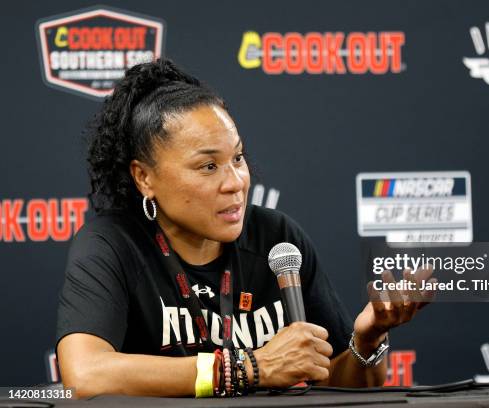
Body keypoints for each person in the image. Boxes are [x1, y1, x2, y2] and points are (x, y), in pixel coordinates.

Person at [56, 59, 434, 399]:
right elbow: (85, 374)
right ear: (144, 177)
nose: (235, 181)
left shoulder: (278, 240)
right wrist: (251, 368)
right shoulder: (112, 245)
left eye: (237, 158)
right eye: (208, 167)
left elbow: (337, 384)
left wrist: (367, 338)